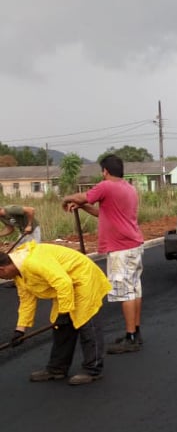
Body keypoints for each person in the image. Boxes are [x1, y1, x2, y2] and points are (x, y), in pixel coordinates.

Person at [62, 154, 144, 354]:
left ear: (105, 171)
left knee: (125, 292)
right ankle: (134, 332)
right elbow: (103, 213)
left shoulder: (106, 186)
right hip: (133, 245)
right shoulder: (128, 188)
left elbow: (83, 196)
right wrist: (82, 206)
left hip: (120, 248)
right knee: (134, 289)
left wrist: (68, 198)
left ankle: (131, 337)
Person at [0, 241, 111, 385]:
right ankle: (57, 369)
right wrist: (20, 330)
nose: (2, 279)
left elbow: (63, 283)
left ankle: (92, 369)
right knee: (60, 326)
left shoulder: (33, 262)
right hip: (66, 284)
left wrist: (64, 313)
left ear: (2, 269)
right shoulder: (19, 273)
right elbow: (27, 301)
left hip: (82, 279)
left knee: (86, 322)